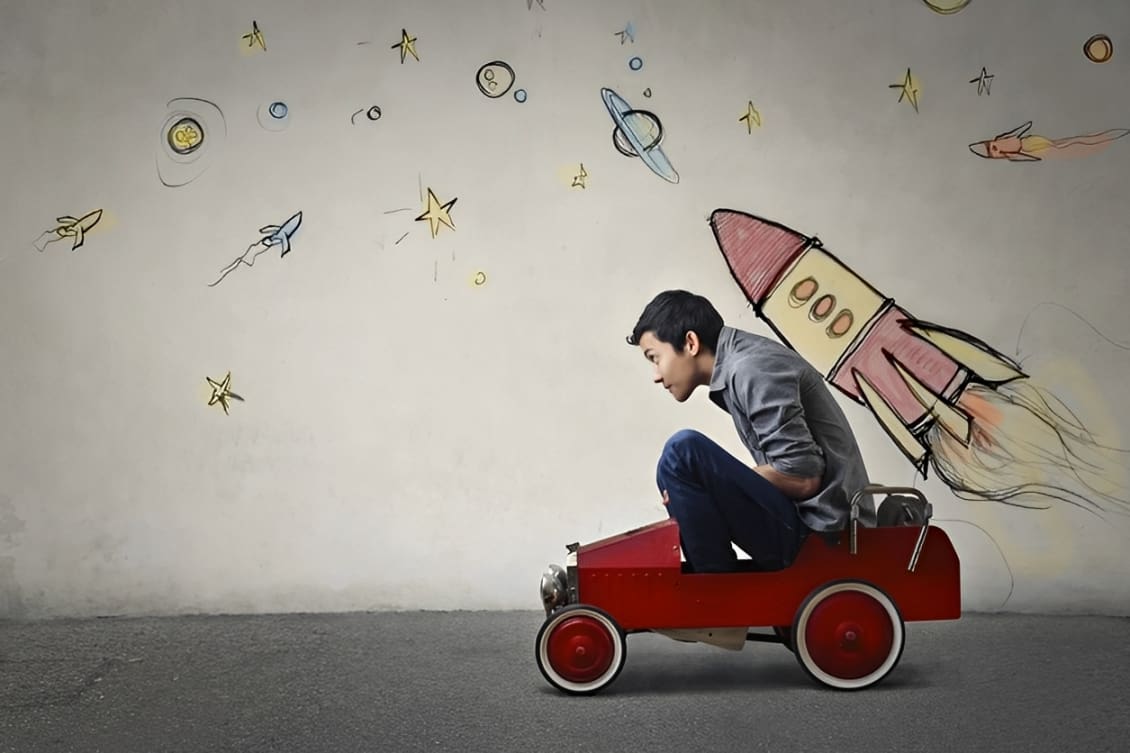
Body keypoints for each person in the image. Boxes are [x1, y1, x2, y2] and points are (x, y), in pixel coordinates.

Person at [626, 289, 874, 573]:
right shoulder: (742, 366)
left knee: (682, 452)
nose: (656, 376)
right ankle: (713, 582)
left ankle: (716, 591)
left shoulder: (752, 368)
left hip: (826, 536)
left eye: (655, 358)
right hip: (809, 524)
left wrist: (716, 483)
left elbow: (804, 478)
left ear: (690, 343)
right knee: (671, 468)